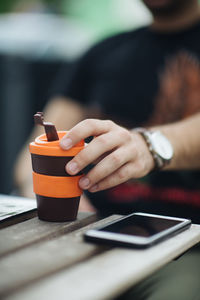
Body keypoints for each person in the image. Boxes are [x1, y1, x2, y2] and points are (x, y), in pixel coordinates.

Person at [15, 0, 200, 220]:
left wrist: (150, 145)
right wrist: (47, 194)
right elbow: (32, 158)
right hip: (93, 230)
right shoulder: (102, 52)